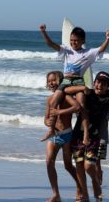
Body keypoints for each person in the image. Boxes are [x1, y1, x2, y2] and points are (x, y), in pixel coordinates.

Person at [39, 24, 109, 144]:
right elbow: (51, 44)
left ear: (83, 41)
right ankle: (51, 130)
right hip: (66, 81)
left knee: (82, 107)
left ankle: (86, 136)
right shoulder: (66, 50)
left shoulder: (88, 53)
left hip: (78, 80)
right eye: (72, 40)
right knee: (53, 102)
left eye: (76, 41)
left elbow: (101, 49)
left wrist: (108, 38)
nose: (73, 43)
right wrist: (43, 32)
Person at [66, 71, 109, 202]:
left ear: (107, 87)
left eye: (104, 84)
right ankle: (84, 195)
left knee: (88, 166)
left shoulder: (108, 98)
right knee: (78, 165)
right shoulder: (87, 93)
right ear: (94, 82)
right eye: (98, 82)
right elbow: (66, 90)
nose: (100, 85)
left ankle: (95, 180)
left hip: (94, 137)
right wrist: (81, 86)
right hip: (78, 134)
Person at [43, 71, 82, 202]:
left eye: (54, 80)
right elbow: (46, 118)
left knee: (68, 165)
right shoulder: (49, 99)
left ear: (60, 82)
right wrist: (47, 122)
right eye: (49, 81)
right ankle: (55, 194)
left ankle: (80, 186)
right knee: (49, 162)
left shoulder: (65, 96)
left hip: (66, 135)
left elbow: (77, 107)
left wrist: (60, 111)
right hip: (54, 135)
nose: (51, 83)